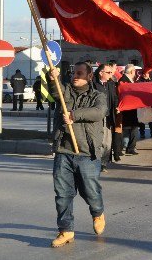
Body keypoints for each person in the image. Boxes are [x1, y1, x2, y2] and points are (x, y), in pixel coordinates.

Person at [47, 62, 106, 248]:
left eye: (80, 73)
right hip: (64, 151)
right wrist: (52, 78)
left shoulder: (98, 96)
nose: (75, 76)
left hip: (86, 153)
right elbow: (56, 91)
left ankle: (97, 212)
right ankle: (66, 230)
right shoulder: (66, 93)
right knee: (62, 194)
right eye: (74, 72)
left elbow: (99, 112)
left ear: (89, 76)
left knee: (91, 192)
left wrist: (74, 115)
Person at [92, 63, 122, 172]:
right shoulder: (93, 84)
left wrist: (117, 107)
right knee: (98, 141)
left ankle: (103, 163)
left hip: (108, 116)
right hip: (97, 117)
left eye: (111, 72)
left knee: (107, 141)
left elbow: (114, 97)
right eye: (108, 72)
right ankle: (96, 162)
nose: (111, 74)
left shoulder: (110, 83)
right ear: (101, 73)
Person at [118, 64, 140, 155]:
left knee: (132, 128)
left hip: (131, 109)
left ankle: (130, 147)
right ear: (132, 71)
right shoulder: (123, 81)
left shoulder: (128, 80)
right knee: (129, 129)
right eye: (134, 71)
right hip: (127, 109)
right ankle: (128, 147)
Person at [137, 71, 152, 138]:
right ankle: (142, 133)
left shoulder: (150, 82)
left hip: (149, 104)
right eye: (144, 73)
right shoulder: (139, 82)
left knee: (151, 119)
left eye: (147, 73)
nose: (146, 75)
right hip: (141, 103)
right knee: (141, 119)